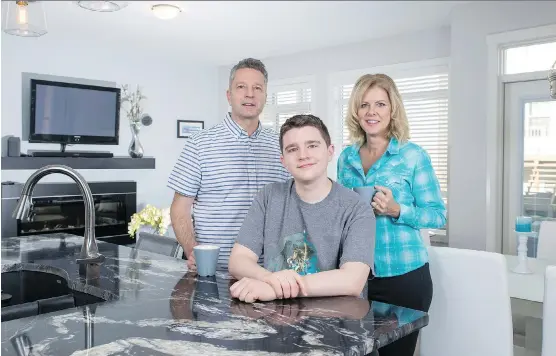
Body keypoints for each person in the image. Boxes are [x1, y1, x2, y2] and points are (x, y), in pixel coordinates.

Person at [336, 73, 447, 356]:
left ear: (392, 109)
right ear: (356, 111)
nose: (371, 112)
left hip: (405, 279)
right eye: (364, 105)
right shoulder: (346, 158)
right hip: (358, 279)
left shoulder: (413, 156)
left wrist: (397, 209)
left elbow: (437, 216)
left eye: (380, 104)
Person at [228, 114, 376, 303]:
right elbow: (239, 259)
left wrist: (276, 290)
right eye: (292, 149)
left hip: (336, 324)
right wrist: (269, 279)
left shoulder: (357, 208)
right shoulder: (268, 196)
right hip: (274, 318)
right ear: (283, 160)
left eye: (312, 145)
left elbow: (353, 280)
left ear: (330, 152)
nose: (303, 155)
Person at [167, 58, 290, 270]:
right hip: (216, 269)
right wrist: (191, 249)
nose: (249, 94)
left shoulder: (282, 144)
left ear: (265, 96)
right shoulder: (199, 144)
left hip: (271, 272)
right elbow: (180, 208)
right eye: (241, 87)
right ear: (229, 95)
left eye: (257, 88)